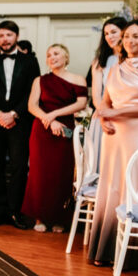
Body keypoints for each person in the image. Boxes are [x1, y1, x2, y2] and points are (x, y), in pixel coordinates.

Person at [88, 20, 138, 267]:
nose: (130, 41)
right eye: (126, 37)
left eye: (136, 36)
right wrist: (104, 119)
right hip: (114, 134)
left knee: (133, 187)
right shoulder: (116, 68)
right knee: (111, 187)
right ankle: (105, 250)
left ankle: (131, 255)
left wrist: (115, 114)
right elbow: (105, 102)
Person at [0, 20, 41, 228]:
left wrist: (14, 114)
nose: (5, 39)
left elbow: (33, 92)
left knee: (19, 166)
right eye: (1, 36)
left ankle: (15, 211)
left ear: (16, 37)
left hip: (20, 122)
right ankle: (0, 210)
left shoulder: (30, 62)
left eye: (9, 35)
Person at [21, 44, 88, 232]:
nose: (52, 57)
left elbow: (81, 103)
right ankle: (39, 218)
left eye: (56, 53)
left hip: (66, 128)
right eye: (49, 54)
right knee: (40, 173)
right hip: (42, 130)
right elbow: (32, 106)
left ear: (66, 56)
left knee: (62, 173)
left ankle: (60, 218)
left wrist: (55, 115)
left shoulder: (78, 79)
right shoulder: (39, 80)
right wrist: (49, 120)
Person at [85, 17, 128, 176]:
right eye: (106, 33)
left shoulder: (133, 59)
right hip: (104, 116)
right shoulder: (100, 61)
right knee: (103, 164)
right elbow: (96, 96)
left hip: (128, 114)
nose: (109, 36)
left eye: (114, 32)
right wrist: (106, 114)